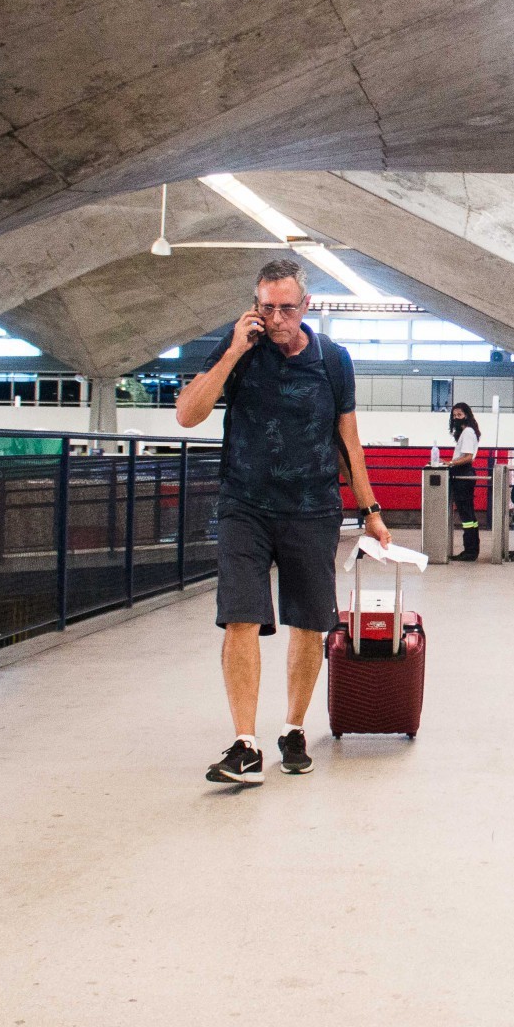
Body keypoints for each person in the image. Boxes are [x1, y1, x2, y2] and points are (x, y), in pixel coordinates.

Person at [175, 259, 390, 786]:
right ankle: (245, 744)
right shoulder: (238, 350)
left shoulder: (332, 360)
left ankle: (293, 729)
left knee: (309, 623)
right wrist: (232, 351)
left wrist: (370, 512)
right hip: (244, 505)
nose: (276, 319)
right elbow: (187, 414)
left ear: (305, 306)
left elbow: (348, 442)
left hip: (312, 508)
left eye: (286, 308)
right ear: (255, 305)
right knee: (240, 617)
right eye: (267, 307)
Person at [447, 401, 482, 561]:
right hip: (464, 473)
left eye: (459, 415)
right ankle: (471, 549)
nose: (456, 418)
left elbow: (467, 457)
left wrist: (450, 463)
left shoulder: (467, 432)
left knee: (466, 514)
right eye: (454, 415)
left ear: (466, 415)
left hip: (463, 474)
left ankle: (470, 551)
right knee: (469, 514)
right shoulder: (468, 432)